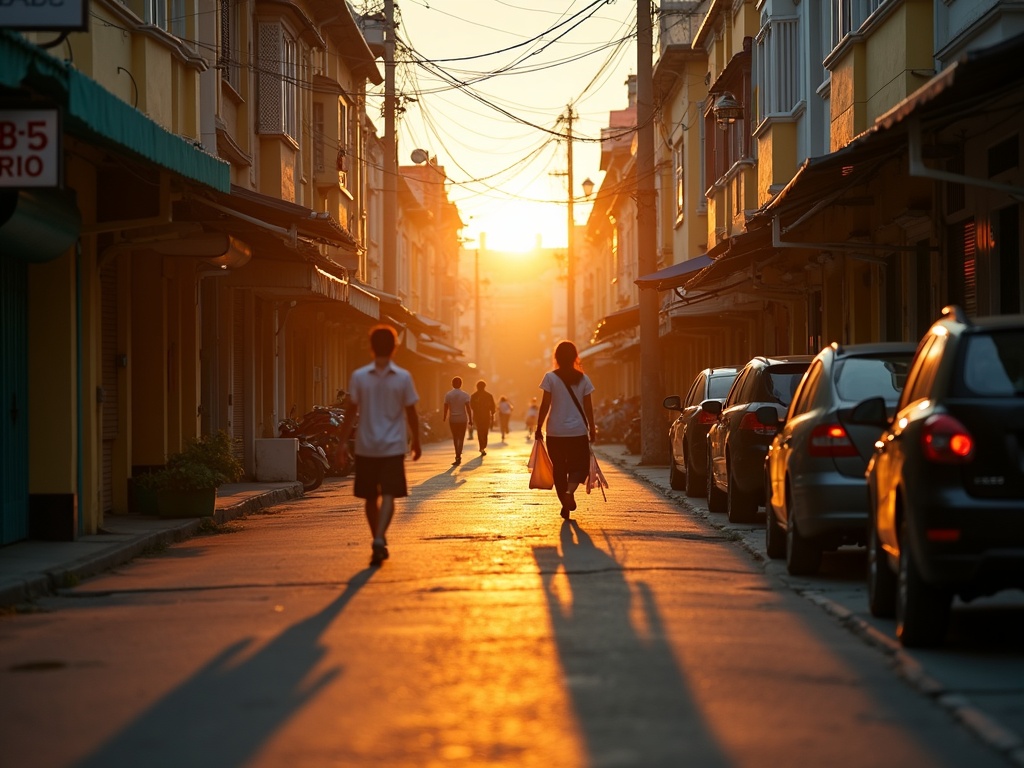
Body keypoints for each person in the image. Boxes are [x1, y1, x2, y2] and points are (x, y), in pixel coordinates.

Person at [338, 324, 421, 566]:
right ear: (395, 348)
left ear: (371, 347)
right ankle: (379, 538)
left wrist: (342, 443)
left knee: (369, 497)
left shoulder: (359, 376)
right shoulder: (403, 377)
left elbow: (350, 412)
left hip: (366, 446)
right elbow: (412, 412)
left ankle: (377, 538)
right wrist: (416, 440)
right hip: (393, 446)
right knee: (389, 494)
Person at [535, 340, 596, 520]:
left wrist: (538, 426)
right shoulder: (583, 379)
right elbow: (588, 407)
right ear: (575, 357)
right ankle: (569, 492)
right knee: (579, 467)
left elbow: (545, 404)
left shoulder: (550, 378)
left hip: (555, 431)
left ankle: (564, 503)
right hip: (578, 431)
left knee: (559, 468)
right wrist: (592, 428)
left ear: (557, 357)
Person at [442, 376, 472, 466]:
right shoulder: (465, 395)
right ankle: (459, 455)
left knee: (455, 437)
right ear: (461, 384)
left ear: (452, 384)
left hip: (453, 419)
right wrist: (470, 419)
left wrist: (444, 417)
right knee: (461, 437)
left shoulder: (448, 395)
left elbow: (446, 407)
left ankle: (457, 455)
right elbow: (468, 408)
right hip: (462, 419)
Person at [469, 380, 496, 455]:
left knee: (480, 431)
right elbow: (493, 406)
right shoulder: (488, 395)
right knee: (485, 432)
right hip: (486, 416)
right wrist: (492, 414)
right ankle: (483, 446)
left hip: (478, 416)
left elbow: (472, 406)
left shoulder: (474, 396)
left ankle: (482, 446)